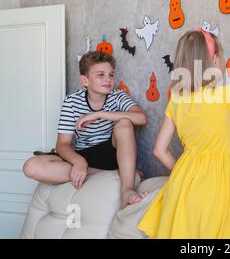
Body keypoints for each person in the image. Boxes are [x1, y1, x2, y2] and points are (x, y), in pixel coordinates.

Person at [138, 28, 230, 238]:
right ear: (215, 61)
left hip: (181, 184)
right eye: (223, 55)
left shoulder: (176, 100)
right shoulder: (221, 95)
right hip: (215, 185)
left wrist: (183, 172)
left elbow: (159, 150)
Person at [23, 51, 148, 208]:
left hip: (113, 153)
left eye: (111, 75)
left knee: (125, 123)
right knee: (31, 166)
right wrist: (79, 161)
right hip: (85, 157)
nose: (108, 80)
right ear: (85, 80)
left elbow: (141, 118)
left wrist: (99, 114)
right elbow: (63, 144)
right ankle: (109, 175)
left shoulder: (118, 96)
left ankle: (127, 189)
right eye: (101, 75)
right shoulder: (71, 101)